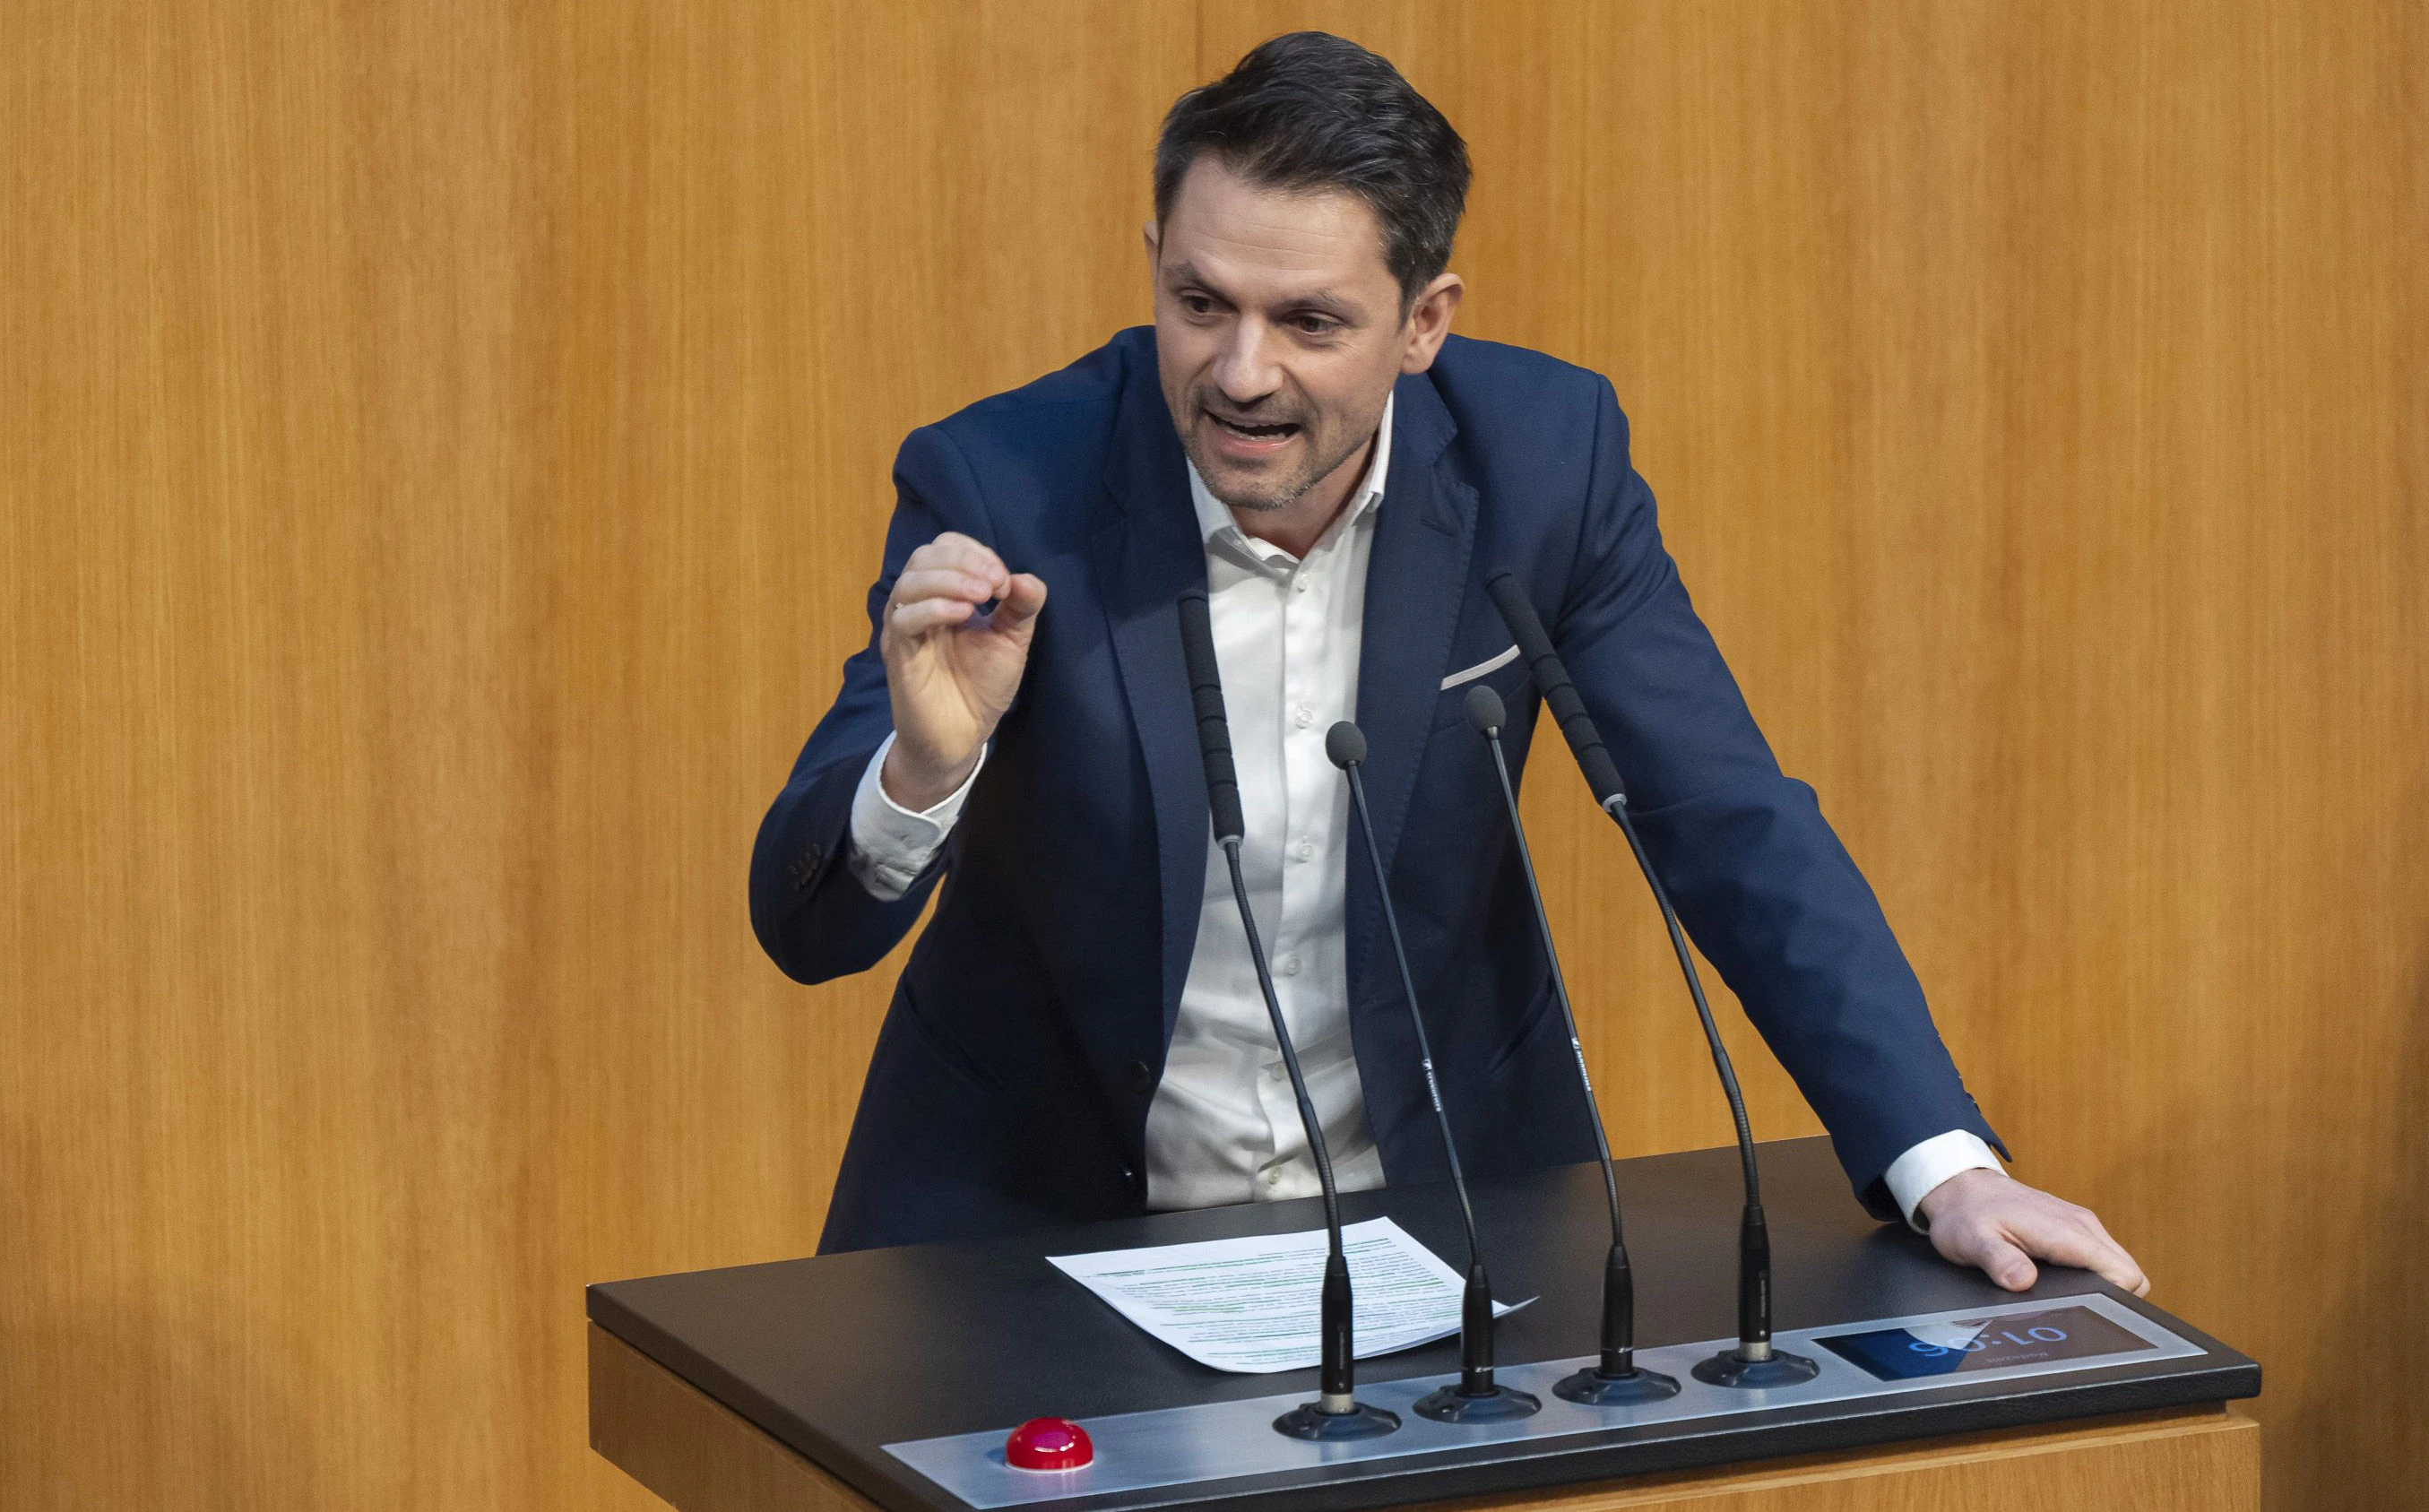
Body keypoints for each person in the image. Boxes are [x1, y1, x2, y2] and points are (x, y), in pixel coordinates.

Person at [750, 31, 2146, 1298]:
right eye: (1199, 302)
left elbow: (1726, 818)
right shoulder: (1005, 479)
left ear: (1425, 323)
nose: (1240, 372)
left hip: (1445, 1219)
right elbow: (808, 930)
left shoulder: (1542, 467)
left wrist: (1940, 1162)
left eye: (1310, 322)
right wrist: (923, 773)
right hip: (1030, 1229)